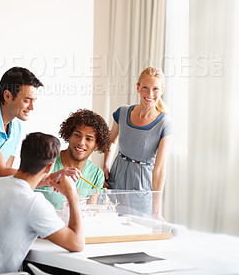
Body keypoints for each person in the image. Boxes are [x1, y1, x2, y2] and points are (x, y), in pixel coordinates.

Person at [0, 132, 84, 275]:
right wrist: (72, 195)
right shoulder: (33, 203)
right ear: (50, 167)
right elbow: (77, 243)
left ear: (22, 157)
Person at [103, 67, 174, 220]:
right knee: (111, 222)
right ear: (138, 87)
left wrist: (156, 211)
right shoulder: (122, 113)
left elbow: (160, 169)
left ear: (162, 90)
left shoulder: (165, 125)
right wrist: (106, 165)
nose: (149, 94)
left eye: (155, 89)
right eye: (145, 88)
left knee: (139, 227)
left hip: (142, 183)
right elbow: (111, 141)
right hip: (117, 174)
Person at [0, 66, 43, 209]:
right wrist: (46, 177)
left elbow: (6, 176)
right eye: (27, 100)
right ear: (7, 96)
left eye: (34, 100)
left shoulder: (15, 126)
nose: (32, 107)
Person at [39, 109, 111, 208]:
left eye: (89, 139)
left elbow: (91, 209)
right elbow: (22, 186)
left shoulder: (96, 174)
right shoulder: (46, 161)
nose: (81, 142)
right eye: (77, 135)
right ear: (69, 135)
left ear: (97, 145)